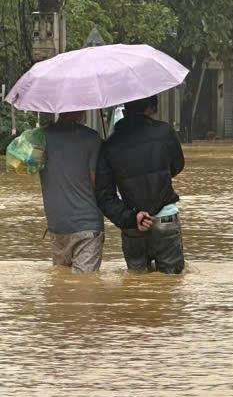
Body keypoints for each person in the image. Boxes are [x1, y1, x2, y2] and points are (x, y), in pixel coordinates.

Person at [96, 94, 186, 274]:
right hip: (166, 218)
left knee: (136, 283)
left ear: (126, 110)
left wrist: (131, 217)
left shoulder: (110, 144)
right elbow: (177, 165)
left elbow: (105, 196)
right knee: (171, 285)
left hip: (133, 223)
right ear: (151, 108)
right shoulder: (165, 132)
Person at [39, 110, 104, 273]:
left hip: (56, 224)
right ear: (81, 111)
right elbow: (96, 182)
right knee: (85, 288)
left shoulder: (40, 138)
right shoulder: (92, 138)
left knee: (62, 288)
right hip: (86, 223)